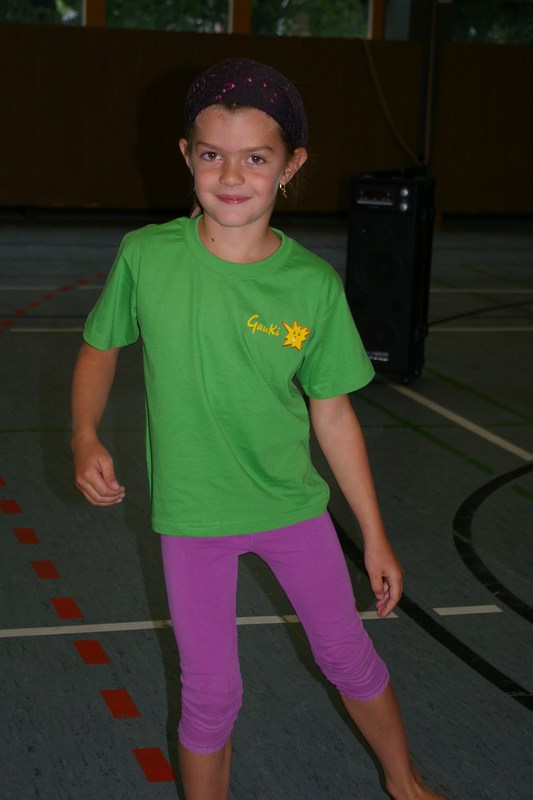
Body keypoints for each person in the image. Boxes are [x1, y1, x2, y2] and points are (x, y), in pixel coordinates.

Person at [71, 58, 447, 800]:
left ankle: (405, 784)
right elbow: (99, 348)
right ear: (187, 155)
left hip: (290, 508)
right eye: (212, 154)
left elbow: (332, 413)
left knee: (346, 655)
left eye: (255, 158)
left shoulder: (311, 286)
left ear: (291, 165)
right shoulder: (147, 256)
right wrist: (85, 434)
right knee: (211, 694)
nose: (231, 175)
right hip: (193, 516)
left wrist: (372, 535)